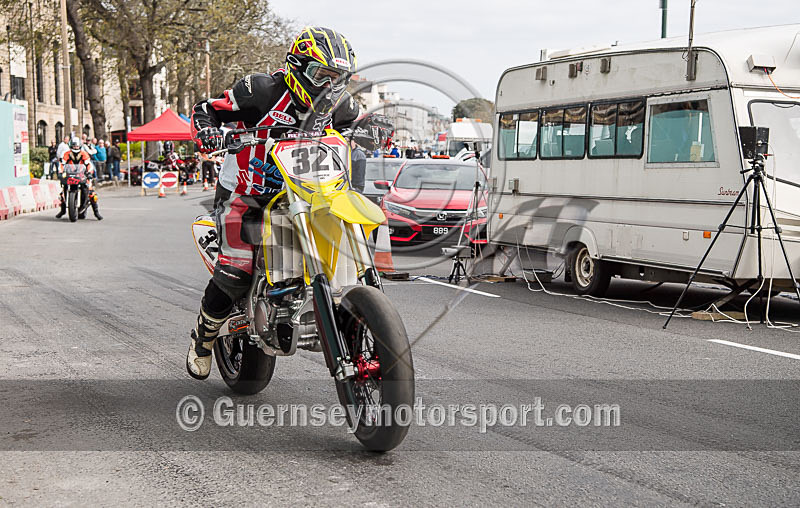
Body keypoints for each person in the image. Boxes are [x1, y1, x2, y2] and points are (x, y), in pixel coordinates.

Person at [185, 26, 392, 380]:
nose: (330, 85)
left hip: (313, 192)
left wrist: (378, 127)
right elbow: (205, 110)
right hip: (246, 193)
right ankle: (203, 339)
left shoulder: (338, 102)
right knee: (236, 269)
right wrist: (207, 132)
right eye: (322, 76)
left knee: (350, 227)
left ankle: (363, 309)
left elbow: (359, 122)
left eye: (338, 78)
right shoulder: (260, 91)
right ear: (297, 67)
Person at [56, 137, 103, 220]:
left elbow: (89, 164)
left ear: (80, 146)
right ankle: (63, 210)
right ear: (71, 146)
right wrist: (60, 172)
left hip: (83, 175)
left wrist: (89, 173)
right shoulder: (67, 154)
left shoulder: (84, 153)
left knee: (91, 193)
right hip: (70, 175)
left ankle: (96, 212)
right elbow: (62, 164)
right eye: (74, 146)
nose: (75, 147)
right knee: (62, 192)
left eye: (77, 146)